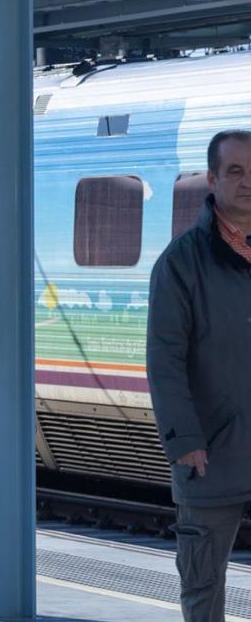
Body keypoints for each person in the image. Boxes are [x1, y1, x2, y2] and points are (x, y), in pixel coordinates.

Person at [148, 129, 251, 622]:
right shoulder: (181, 263)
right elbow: (164, 359)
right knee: (204, 583)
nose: (248, 182)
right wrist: (184, 438)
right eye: (235, 171)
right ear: (212, 180)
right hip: (211, 451)